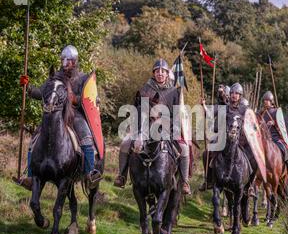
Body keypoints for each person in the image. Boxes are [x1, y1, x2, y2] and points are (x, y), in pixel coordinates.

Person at [17, 45, 101, 189]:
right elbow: (41, 93)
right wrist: (28, 88)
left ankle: (89, 173)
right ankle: (30, 176)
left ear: (74, 62)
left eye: (67, 61)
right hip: (56, 115)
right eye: (63, 60)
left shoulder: (83, 78)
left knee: (87, 138)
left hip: (75, 115)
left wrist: (74, 98)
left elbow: (91, 99)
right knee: (35, 139)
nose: (64, 63)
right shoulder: (55, 77)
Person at [113, 59, 191, 194]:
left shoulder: (174, 92)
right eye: (157, 71)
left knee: (184, 148)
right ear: (154, 73)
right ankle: (122, 176)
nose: (160, 73)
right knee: (125, 144)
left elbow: (177, 115)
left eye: (163, 71)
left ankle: (184, 182)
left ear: (167, 74)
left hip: (167, 129)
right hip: (144, 127)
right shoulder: (145, 89)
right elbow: (137, 109)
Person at [258, 91, 288, 171]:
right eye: (264, 100)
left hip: (275, 137)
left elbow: (282, 126)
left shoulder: (276, 111)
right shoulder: (261, 112)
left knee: (285, 149)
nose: (265, 102)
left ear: (271, 101)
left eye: (267, 100)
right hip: (263, 138)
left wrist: (274, 123)